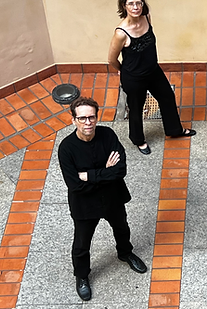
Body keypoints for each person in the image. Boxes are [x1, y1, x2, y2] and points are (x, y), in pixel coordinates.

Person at [58, 97, 147, 301]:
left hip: (112, 197)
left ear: (96, 118)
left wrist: (89, 175)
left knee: (122, 228)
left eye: (91, 117)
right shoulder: (66, 148)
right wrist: (106, 172)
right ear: (73, 120)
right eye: (82, 118)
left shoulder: (108, 135)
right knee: (81, 244)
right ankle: (82, 276)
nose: (87, 122)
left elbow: (120, 170)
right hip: (85, 205)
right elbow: (75, 185)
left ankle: (125, 253)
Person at [108, 0, 195, 155]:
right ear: (124, 5)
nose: (135, 7)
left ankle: (174, 130)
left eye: (138, 3)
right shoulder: (120, 33)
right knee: (136, 109)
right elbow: (112, 59)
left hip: (153, 71)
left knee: (167, 97)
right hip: (134, 78)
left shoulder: (147, 18)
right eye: (131, 4)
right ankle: (138, 140)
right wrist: (123, 71)